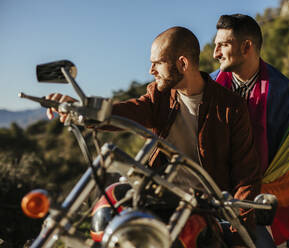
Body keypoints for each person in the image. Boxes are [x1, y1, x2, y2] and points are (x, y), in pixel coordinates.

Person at [47, 26, 263, 247]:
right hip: (159, 196)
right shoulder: (158, 97)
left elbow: (246, 175)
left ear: (183, 64)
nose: (151, 70)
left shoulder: (230, 107)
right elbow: (123, 111)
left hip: (206, 209)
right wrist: (82, 110)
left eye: (158, 62)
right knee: (106, 216)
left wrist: (239, 231)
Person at [211, 14, 289, 247]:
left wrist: (248, 197)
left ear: (246, 47)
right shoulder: (209, 87)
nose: (215, 54)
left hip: (262, 205)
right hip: (213, 200)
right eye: (215, 45)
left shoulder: (283, 92)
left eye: (223, 45)